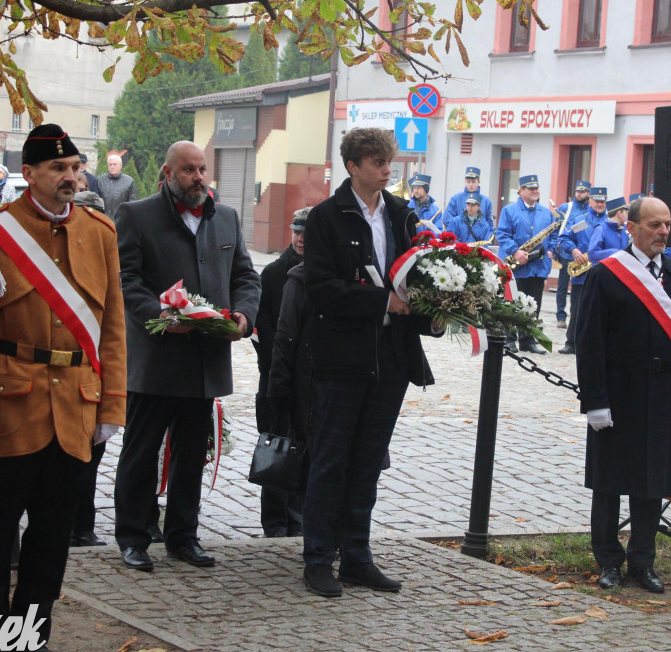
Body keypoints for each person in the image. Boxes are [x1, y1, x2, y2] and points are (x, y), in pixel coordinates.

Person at [0, 124, 127, 652]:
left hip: (76, 403)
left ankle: (32, 634)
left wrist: (112, 404)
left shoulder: (100, 232)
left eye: (75, 168)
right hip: (13, 401)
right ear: (28, 175)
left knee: (53, 531)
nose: (70, 178)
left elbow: (113, 327)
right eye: (58, 169)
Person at [301, 127, 439, 598]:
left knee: (367, 463)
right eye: (377, 162)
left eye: (388, 162)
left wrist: (437, 308)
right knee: (330, 460)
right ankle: (318, 558)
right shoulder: (326, 218)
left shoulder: (403, 215)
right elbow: (320, 288)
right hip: (343, 358)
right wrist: (382, 303)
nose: (386, 170)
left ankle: (357, 556)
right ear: (353, 167)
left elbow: (420, 275)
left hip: (392, 359)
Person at [113, 141, 260, 572]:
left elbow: (246, 278)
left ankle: (183, 536)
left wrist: (245, 317)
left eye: (202, 170)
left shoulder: (227, 218)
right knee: (140, 453)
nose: (199, 178)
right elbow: (127, 280)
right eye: (189, 171)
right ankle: (134, 537)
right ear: (167, 172)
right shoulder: (136, 215)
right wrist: (157, 314)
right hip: (157, 359)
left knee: (193, 453)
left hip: (205, 362)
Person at [576, 196, 671, 593]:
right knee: (610, 483)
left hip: (664, 393)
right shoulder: (607, 275)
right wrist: (594, 400)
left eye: (667, 224)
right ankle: (608, 561)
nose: (663, 232)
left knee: (652, 484)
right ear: (631, 228)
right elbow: (589, 341)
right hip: (618, 392)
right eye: (654, 225)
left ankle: (642, 562)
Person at [253, 207, 309, 538]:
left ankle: (298, 520)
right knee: (275, 446)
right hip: (274, 375)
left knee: (304, 449)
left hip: (308, 380)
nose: (301, 239)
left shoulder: (322, 273)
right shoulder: (273, 273)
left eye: (308, 233)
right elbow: (262, 324)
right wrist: (277, 363)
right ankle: (274, 523)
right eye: (297, 231)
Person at [496, 174, 555, 354]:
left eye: (536, 188)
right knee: (512, 303)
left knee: (533, 305)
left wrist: (551, 249)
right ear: (521, 191)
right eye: (530, 189)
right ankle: (509, 338)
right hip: (516, 265)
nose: (535, 191)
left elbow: (554, 235)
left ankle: (528, 340)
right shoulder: (509, 210)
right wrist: (515, 251)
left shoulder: (546, 212)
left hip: (538, 267)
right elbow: (502, 234)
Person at [555, 186, 607, 354]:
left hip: (602, 273)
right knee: (577, 309)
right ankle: (571, 342)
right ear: (590, 201)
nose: (599, 204)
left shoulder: (609, 223)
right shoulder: (580, 220)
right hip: (581, 273)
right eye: (597, 201)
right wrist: (574, 250)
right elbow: (564, 238)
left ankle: (593, 344)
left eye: (602, 201)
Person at [554, 181, 592, 329]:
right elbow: (556, 226)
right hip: (565, 253)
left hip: (582, 257)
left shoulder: (590, 209)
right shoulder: (566, 207)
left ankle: (576, 317)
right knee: (562, 285)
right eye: (577, 191)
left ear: (588, 193)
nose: (579, 194)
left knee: (580, 288)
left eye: (583, 192)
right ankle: (561, 316)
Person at [586, 196, 629, 265]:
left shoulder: (624, 232)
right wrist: (615, 253)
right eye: (626, 213)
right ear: (619, 214)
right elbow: (592, 254)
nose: (627, 217)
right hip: (605, 272)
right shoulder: (600, 229)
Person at [96, 154, 138, 218]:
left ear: (120, 165)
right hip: (103, 219)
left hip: (120, 219)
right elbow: (95, 200)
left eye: (115, 164)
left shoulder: (129, 181)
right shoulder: (100, 180)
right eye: (110, 164)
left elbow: (132, 203)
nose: (112, 167)